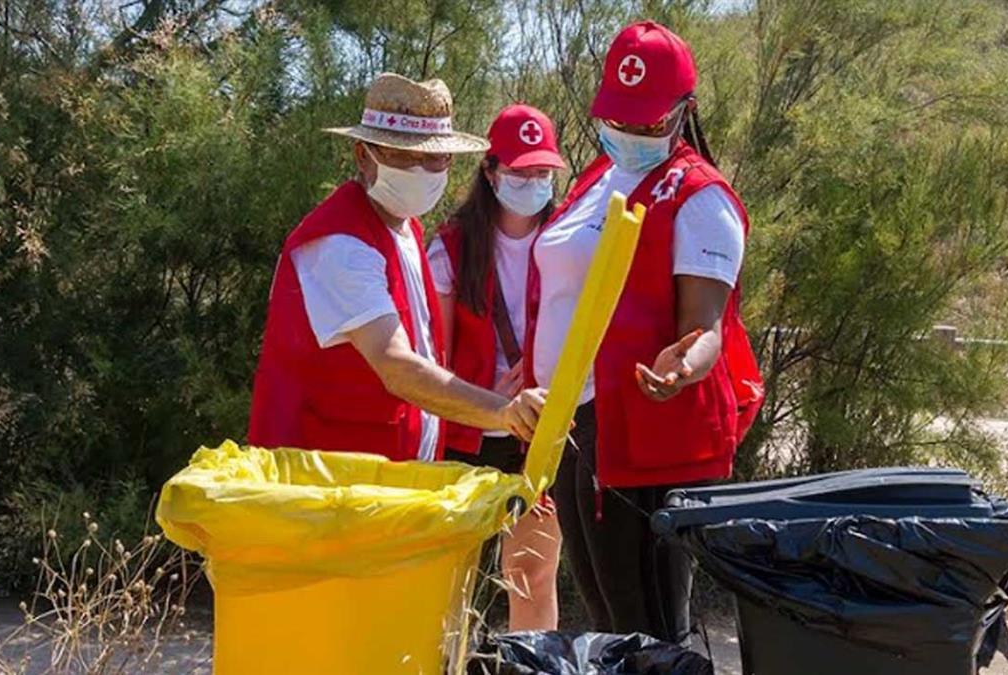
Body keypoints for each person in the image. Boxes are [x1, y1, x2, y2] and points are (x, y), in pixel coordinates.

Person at [522, 22, 765, 643]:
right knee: (607, 619)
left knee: (648, 625)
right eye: (619, 120)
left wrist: (684, 365)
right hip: (578, 425)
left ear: (684, 113)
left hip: (648, 439)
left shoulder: (701, 198)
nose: (630, 135)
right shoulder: (599, 177)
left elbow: (704, 327)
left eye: (649, 123)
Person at [248, 73, 548, 461]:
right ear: (363, 155)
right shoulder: (341, 245)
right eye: (404, 156)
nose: (422, 169)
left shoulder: (403, 228)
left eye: (435, 157)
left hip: (382, 479)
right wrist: (500, 411)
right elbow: (396, 366)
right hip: (326, 484)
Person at [427, 104, 566, 631]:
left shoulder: (568, 240)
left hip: (538, 435)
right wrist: (485, 395)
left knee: (531, 579)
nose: (533, 182)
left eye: (543, 172)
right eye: (520, 171)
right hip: (465, 435)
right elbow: (432, 357)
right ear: (490, 173)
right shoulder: (451, 247)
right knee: (449, 586)